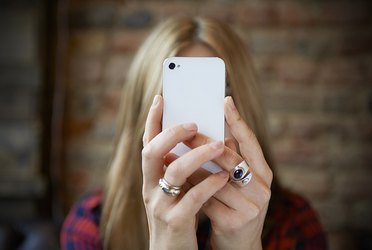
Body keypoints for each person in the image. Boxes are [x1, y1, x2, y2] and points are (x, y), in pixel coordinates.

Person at [61, 16, 327, 250]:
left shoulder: (295, 222)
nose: (195, 126)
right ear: (144, 114)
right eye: (179, 98)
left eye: (219, 94)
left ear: (244, 109)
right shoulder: (93, 223)